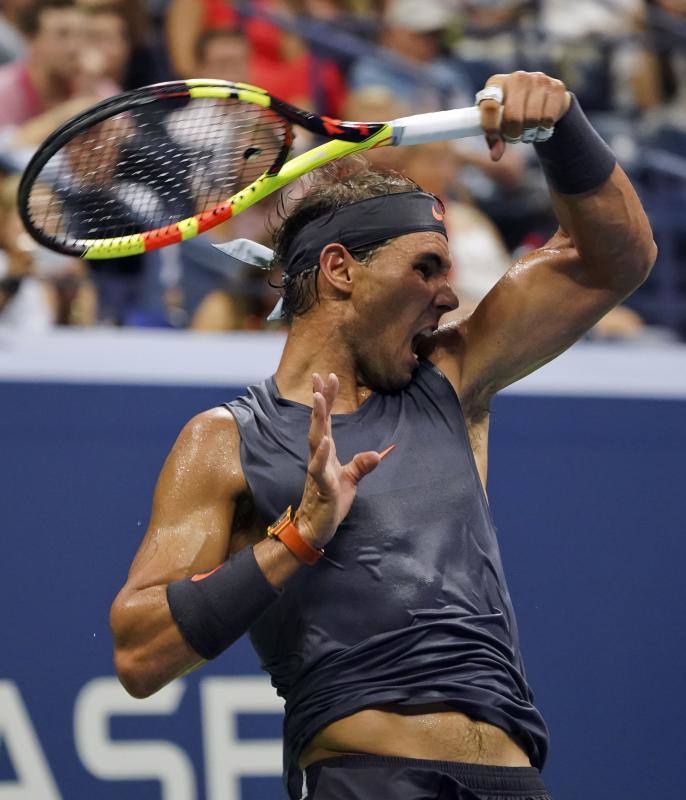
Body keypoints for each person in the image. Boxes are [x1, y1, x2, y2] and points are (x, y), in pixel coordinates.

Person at [110, 71, 656, 799]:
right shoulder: (223, 441)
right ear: (340, 271)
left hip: (512, 783)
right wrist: (299, 536)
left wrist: (562, 130)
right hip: (365, 781)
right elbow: (140, 653)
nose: (449, 294)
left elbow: (616, 260)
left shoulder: (454, 377)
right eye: (425, 268)